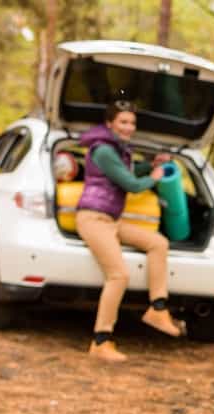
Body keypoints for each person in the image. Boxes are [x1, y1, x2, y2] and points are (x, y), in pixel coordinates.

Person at [76, 99, 185, 362]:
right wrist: (154, 177)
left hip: (112, 220)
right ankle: (101, 341)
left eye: (132, 123)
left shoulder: (118, 149)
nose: (128, 127)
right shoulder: (103, 150)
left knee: (158, 243)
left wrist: (152, 164)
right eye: (123, 122)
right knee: (119, 275)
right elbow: (132, 184)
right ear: (110, 123)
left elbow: (130, 170)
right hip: (93, 219)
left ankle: (158, 309)